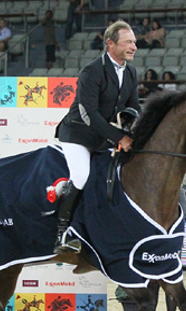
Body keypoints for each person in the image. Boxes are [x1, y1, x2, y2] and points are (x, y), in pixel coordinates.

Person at [53, 20, 140, 254]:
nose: (134, 47)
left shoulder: (130, 72)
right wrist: (118, 138)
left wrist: (134, 131)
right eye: (128, 42)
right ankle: (61, 232)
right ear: (111, 44)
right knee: (81, 176)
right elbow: (88, 113)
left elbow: (133, 108)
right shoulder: (92, 71)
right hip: (78, 134)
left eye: (134, 42)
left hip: (103, 137)